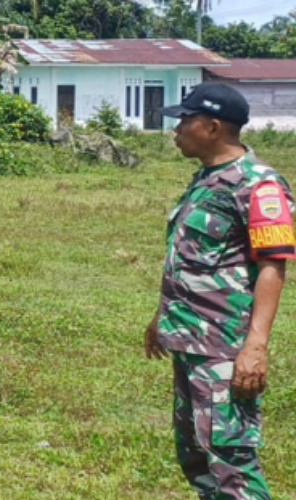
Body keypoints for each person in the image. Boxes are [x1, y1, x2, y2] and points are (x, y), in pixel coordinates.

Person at [145, 82, 294, 500]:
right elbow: (189, 258)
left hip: (223, 347)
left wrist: (256, 347)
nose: (176, 130)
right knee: (195, 455)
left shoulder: (259, 186)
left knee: (232, 462)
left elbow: (272, 267)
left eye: (184, 121)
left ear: (212, 127)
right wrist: (161, 319)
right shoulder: (207, 180)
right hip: (189, 340)